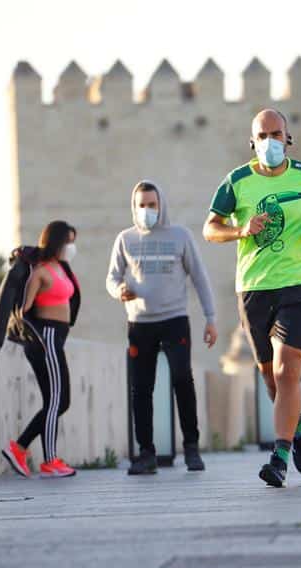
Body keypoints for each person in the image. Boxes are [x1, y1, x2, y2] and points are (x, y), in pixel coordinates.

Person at [203, 108, 301, 488]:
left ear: (288, 138)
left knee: (288, 372)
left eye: (276, 133)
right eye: (262, 135)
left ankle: (280, 455)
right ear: (252, 141)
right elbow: (210, 229)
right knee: (271, 381)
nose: (270, 141)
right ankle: (300, 426)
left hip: (300, 284)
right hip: (254, 288)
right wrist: (240, 229)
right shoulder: (237, 181)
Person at [107, 180, 217, 474]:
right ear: (134, 207)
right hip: (139, 324)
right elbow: (112, 277)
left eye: (151, 205)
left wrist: (211, 318)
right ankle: (146, 453)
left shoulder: (180, 236)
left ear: (161, 205)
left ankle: (191, 449)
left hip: (175, 321)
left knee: (183, 380)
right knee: (141, 389)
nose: (147, 210)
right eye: (141, 205)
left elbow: (200, 277)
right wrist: (119, 290)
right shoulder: (125, 239)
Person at [0, 220, 81, 478]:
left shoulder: (61, 268)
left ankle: (18, 448)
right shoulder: (40, 272)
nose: (72, 248)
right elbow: (24, 311)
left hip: (57, 339)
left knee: (61, 401)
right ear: (56, 242)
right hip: (47, 338)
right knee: (56, 401)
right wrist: (41, 337)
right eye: (68, 242)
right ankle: (50, 460)